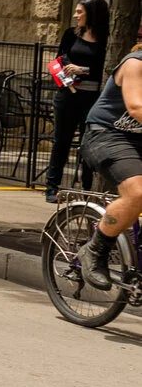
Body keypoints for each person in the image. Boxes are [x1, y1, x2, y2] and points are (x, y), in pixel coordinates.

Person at [74, 31, 142, 293]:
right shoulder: (135, 63)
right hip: (107, 135)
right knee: (137, 192)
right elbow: (136, 107)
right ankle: (94, 250)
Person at [47, 0, 111, 200]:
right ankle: (52, 187)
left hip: (92, 97)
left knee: (87, 143)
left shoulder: (106, 39)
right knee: (61, 141)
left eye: (79, 12)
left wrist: (82, 69)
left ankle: (86, 188)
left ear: (91, 14)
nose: (75, 16)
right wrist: (68, 72)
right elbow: (60, 58)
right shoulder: (71, 34)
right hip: (68, 93)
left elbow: (104, 68)